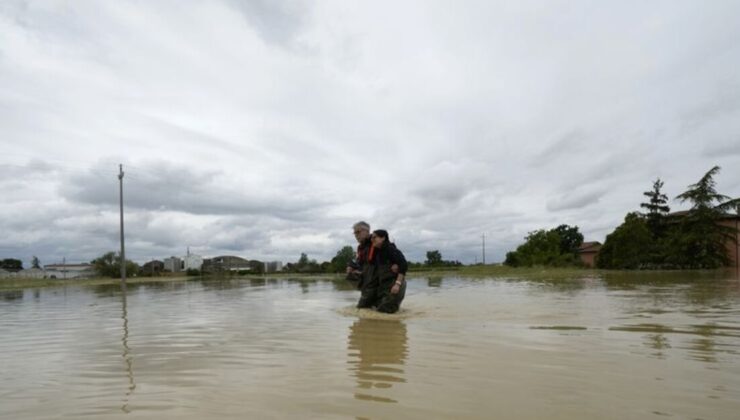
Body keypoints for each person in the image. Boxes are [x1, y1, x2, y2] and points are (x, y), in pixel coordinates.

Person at [359, 229, 408, 313]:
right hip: (384, 287)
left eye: (375, 237)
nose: (372, 240)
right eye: (371, 238)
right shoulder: (378, 253)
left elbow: (404, 265)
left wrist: (397, 284)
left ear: (383, 238)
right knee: (378, 310)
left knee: (385, 312)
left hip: (394, 286)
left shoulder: (390, 249)